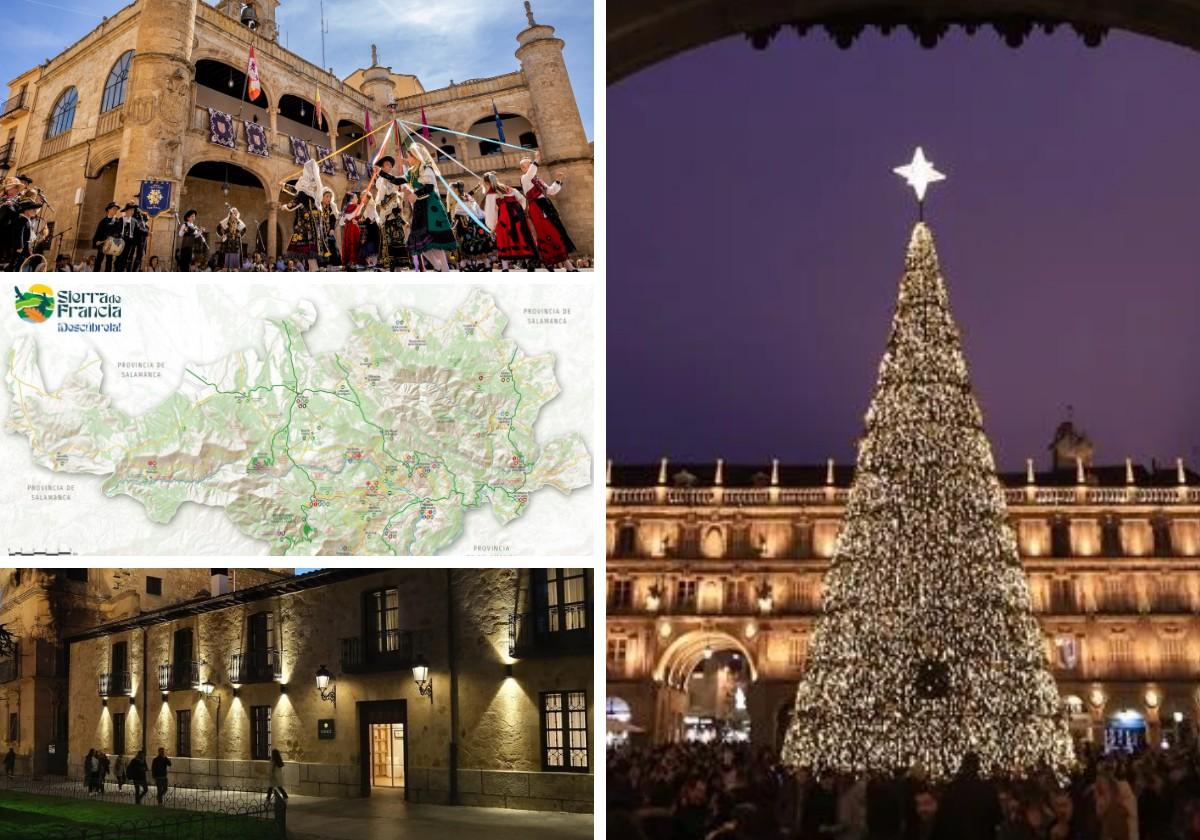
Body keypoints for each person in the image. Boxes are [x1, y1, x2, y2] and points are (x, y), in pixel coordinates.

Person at [402, 144, 457, 271]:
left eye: (408, 156)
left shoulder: (426, 169)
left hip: (430, 207)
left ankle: (445, 269)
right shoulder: (412, 171)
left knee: (435, 242)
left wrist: (415, 194)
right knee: (418, 243)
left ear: (415, 156)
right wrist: (381, 173)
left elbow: (429, 188)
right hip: (420, 208)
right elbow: (398, 179)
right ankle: (438, 267)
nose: (407, 159)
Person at [519, 151, 576, 270]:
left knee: (557, 232)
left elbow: (551, 191)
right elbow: (531, 172)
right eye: (526, 165)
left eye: (529, 164)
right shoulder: (525, 178)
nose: (529, 167)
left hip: (546, 205)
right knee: (549, 234)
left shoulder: (537, 180)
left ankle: (567, 265)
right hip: (537, 208)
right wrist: (537, 159)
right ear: (523, 168)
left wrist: (558, 180)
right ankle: (552, 262)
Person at [481, 172, 535, 270]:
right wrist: (522, 211)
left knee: (503, 240)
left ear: (486, 183)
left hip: (505, 219)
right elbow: (522, 199)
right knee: (522, 237)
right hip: (518, 216)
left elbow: (490, 212)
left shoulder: (491, 194)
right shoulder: (509, 189)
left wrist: (492, 227)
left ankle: (505, 268)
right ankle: (529, 263)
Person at [283, 160, 323, 271]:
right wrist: (284, 186)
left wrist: (286, 206)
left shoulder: (306, 188)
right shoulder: (314, 186)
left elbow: (298, 198)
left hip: (306, 224)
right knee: (310, 257)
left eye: (305, 169)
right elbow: (297, 191)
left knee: (310, 256)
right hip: (314, 223)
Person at [449, 181, 493, 271]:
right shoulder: (466, 196)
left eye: (451, 190)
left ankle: (465, 266)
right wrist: (477, 187)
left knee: (468, 247)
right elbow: (471, 193)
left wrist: (452, 227)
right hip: (476, 224)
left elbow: (458, 216)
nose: (450, 192)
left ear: (456, 190)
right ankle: (486, 265)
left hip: (467, 227)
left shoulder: (459, 200)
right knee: (477, 247)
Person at [114, 203, 147, 271]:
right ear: (126, 211)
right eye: (131, 210)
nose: (132, 212)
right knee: (118, 258)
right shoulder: (120, 220)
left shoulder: (134, 221)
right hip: (121, 242)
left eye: (133, 210)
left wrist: (147, 233)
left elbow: (139, 230)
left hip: (129, 243)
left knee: (126, 259)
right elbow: (116, 230)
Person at [215, 207, 246, 272]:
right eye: (233, 213)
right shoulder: (226, 221)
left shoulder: (239, 222)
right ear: (230, 214)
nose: (235, 214)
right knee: (225, 267)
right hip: (227, 245)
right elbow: (218, 228)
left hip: (236, 246)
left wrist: (239, 235)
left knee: (235, 268)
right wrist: (222, 235)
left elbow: (244, 230)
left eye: (236, 213)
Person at [318, 187, 342, 269]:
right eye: (327, 196)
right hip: (319, 234)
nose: (329, 198)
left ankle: (335, 268)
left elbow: (333, 219)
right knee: (321, 253)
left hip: (329, 233)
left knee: (333, 250)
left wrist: (332, 228)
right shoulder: (318, 206)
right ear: (322, 196)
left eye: (330, 196)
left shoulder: (331, 207)